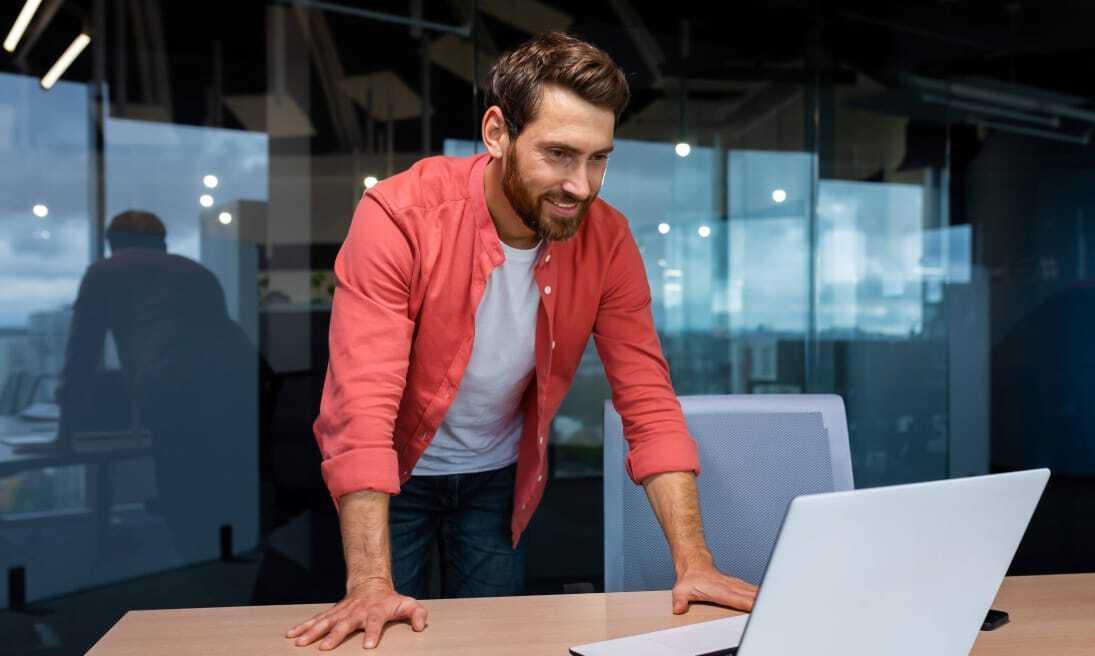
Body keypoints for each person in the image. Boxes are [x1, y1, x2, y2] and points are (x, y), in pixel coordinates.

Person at [288, 32, 757, 651]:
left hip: (498, 477)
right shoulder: (400, 215)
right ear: (496, 133)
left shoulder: (608, 239)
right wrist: (370, 580)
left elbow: (647, 401)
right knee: (376, 634)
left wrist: (694, 562)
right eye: (559, 154)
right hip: (390, 476)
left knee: (493, 643)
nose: (582, 185)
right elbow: (362, 405)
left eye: (599, 158)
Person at [59, 210, 254, 560]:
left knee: (182, 495)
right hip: (239, 387)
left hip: (174, 391)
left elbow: (81, 355)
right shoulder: (195, 271)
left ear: (112, 243)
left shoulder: (104, 272)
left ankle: (197, 576)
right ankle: (225, 573)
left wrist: (65, 430)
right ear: (163, 242)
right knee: (223, 493)